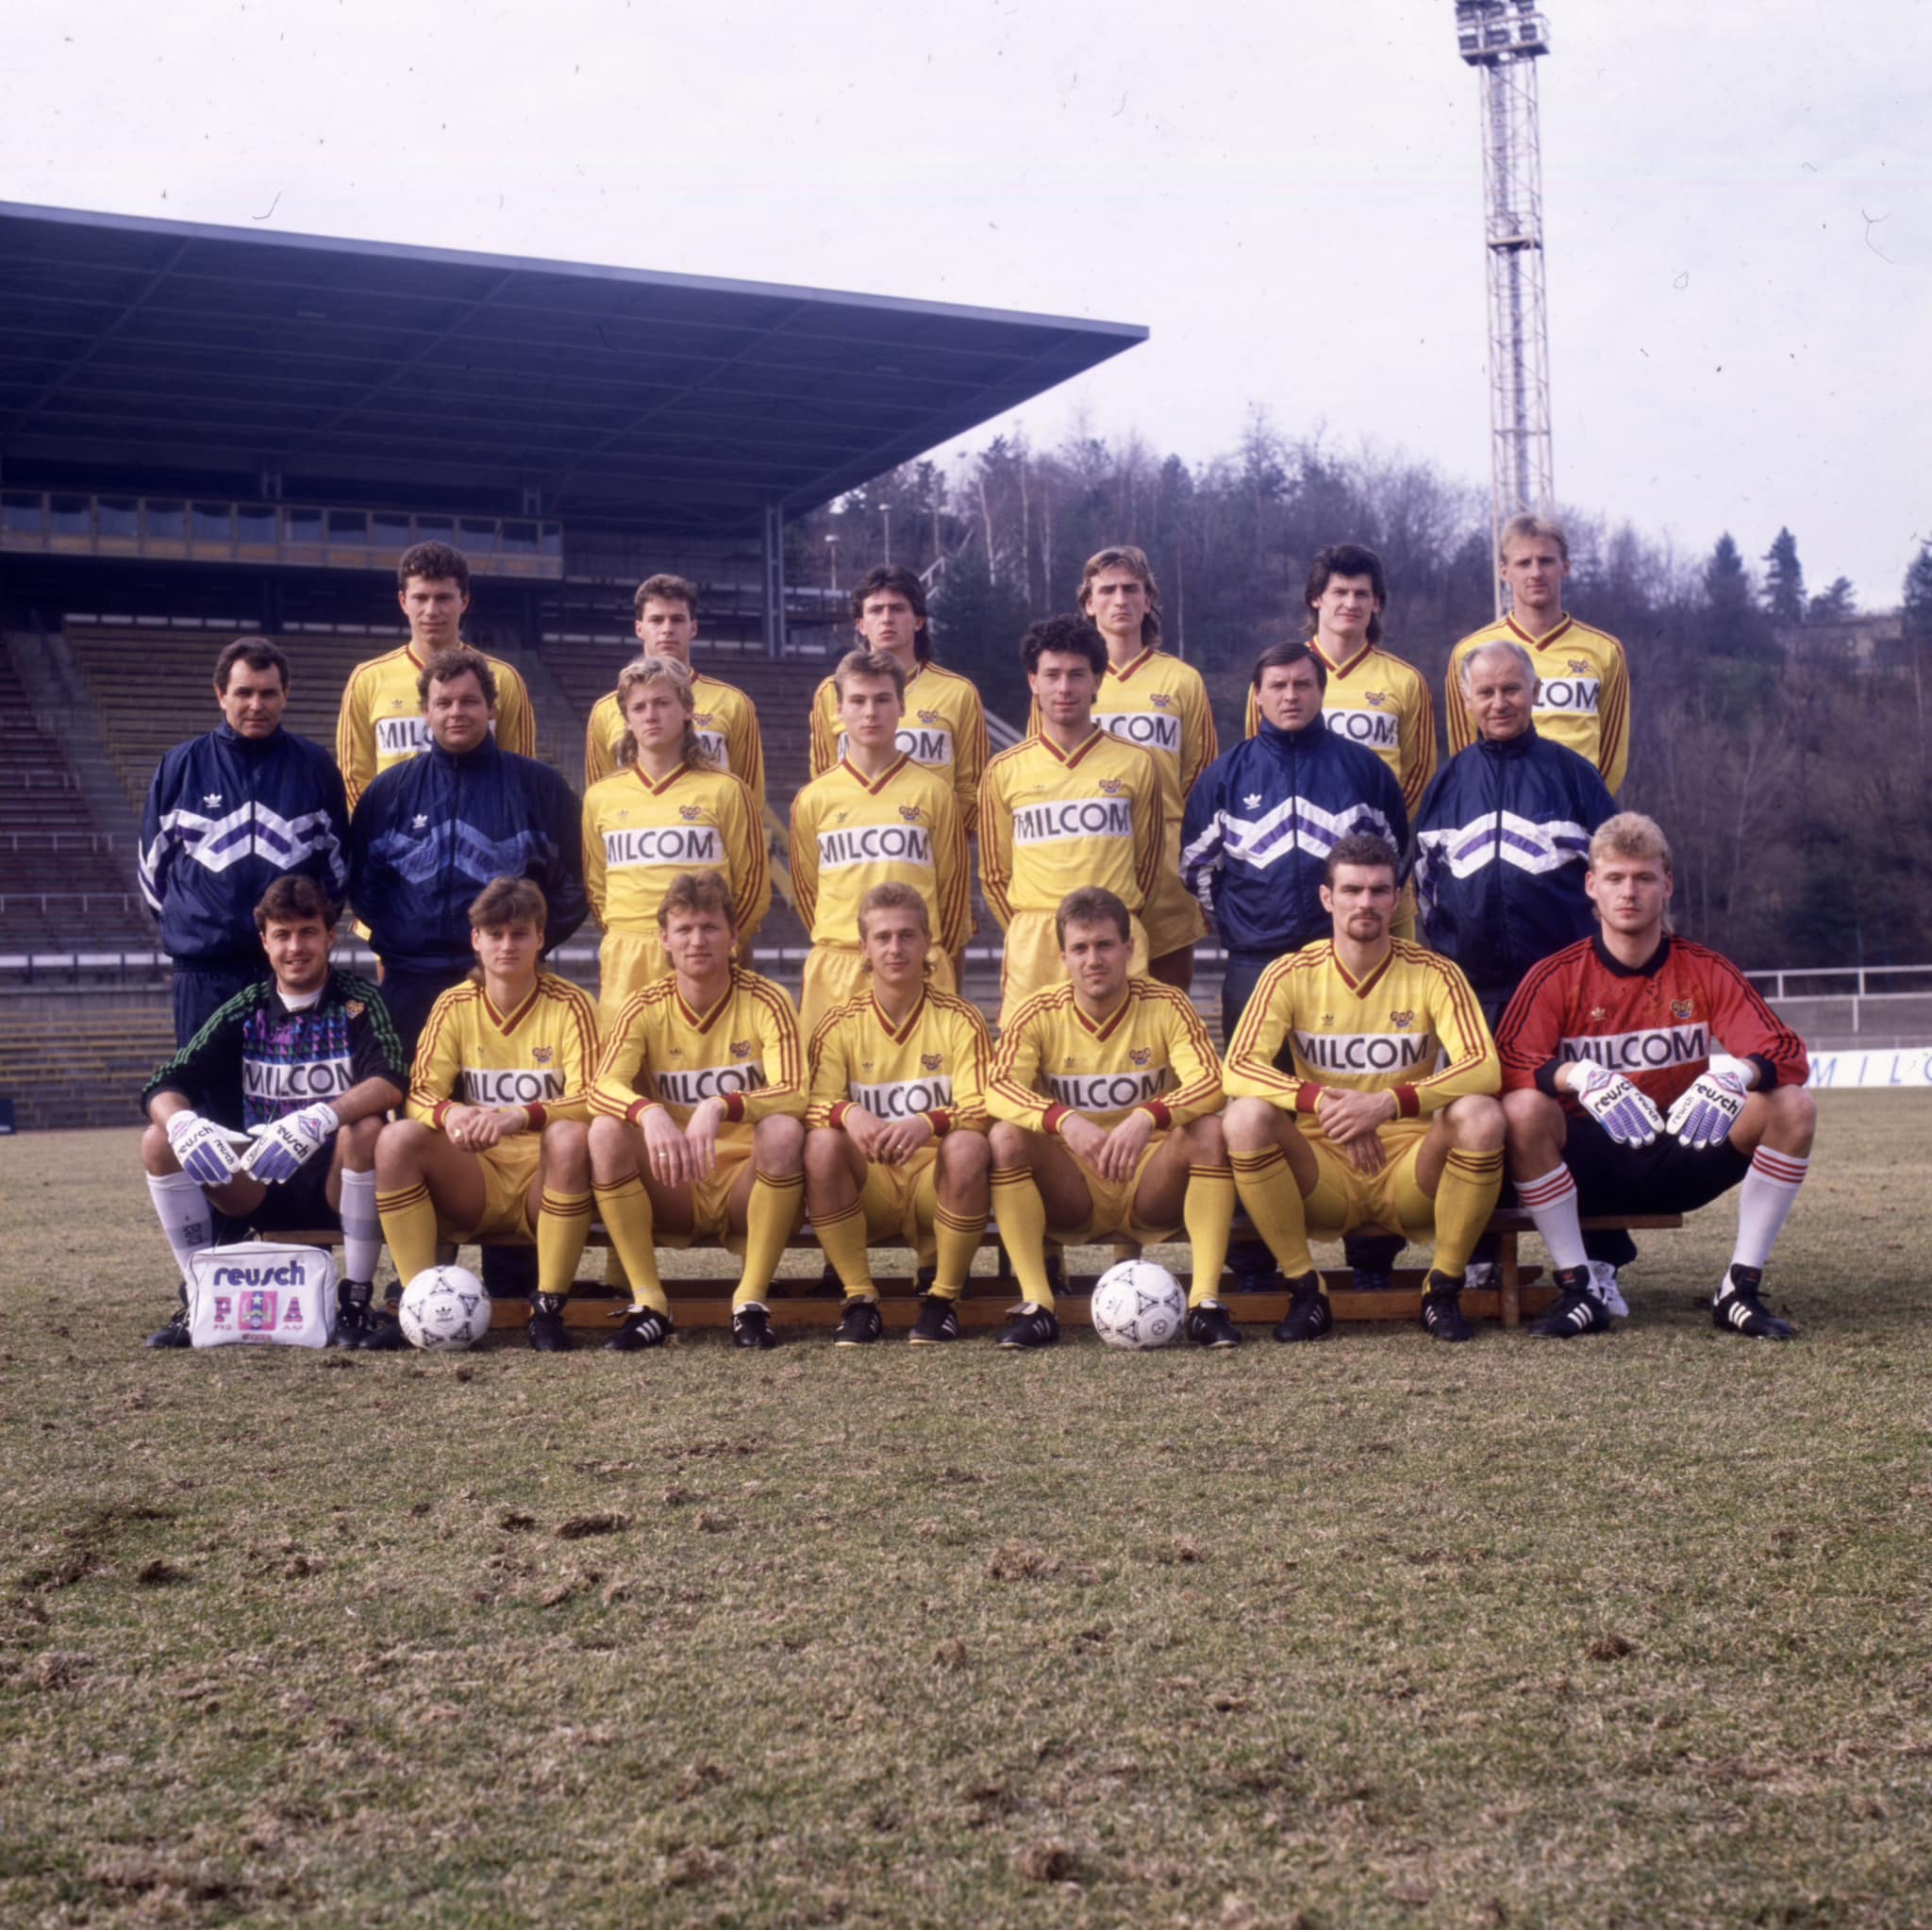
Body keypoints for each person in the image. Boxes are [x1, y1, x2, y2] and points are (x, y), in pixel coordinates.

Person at [1497, 813, 1814, 1339]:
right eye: (1616, 879)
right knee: (1522, 1108)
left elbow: (1785, 1049)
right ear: (1591, 887)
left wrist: (1738, 1072)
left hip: (1680, 1146)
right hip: (1587, 1162)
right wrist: (1575, 1075)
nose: (1630, 893)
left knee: (1793, 1106)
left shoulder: (1704, 969)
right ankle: (1579, 1288)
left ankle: (1739, 1288)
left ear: (1666, 886)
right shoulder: (1556, 976)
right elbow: (1505, 1062)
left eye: (1644, 878)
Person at [1182, 641, 1408, 1292]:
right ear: (1256, 695)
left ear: (1320, 690)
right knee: (1254, 1104)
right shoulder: (1225, 775)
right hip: (1256, 962)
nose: (1290, 695)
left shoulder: (1362, 770)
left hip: (1349, 963)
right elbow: (1198, 870)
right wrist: (1237, 929)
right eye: (1276, 685)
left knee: (1365, 1089)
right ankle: (1254, 1261)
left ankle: (1372, 1259)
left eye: (1302, 684)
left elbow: (1393, 858)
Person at [1221, 835, 1507, 1345]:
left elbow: (1483, 1066)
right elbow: (1238, 1068)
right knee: (1243, 1118)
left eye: (1379, 891)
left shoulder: (1434, 971)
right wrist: (1324, 1102)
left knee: (1482, 1114)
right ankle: (1305, 1291)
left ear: (1398, 899)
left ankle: (1442, 1289)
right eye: (1352, 890)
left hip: (1410, 1171)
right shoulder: (1289, 973)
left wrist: (1386, 1104)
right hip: (1322, 1168)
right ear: (1327, 897)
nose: (1366, 903)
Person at [138, 874, 407, 1350]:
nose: (295, 947)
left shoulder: (358, 1003)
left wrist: (321, 1117)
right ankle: (199, 1296)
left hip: (338, 1181)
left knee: (365, 1128)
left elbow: (390, 1081)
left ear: (329, 936)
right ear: (265, 943)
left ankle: (356, 1300)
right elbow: (165, 1082)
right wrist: (182, 1122)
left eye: (307, 932)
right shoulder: (247, 1008)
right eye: (282, 935)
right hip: (261, 1177)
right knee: (158, 1141)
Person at [983, 888, 1234, 1351]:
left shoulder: (1167, 1003)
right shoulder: (1036, 1011)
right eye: (1080, 948)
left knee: (1210, 1131)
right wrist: (1063, 1120)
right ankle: (1038, 1306)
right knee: (1006, 1137)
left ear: (1129, 949)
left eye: (1104, 945)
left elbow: (1211, 1082)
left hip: (1149, 1184)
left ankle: (1204, 1305)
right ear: (1063, 956)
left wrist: (1147, 1116)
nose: (1092, 959)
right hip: (1074, 1186)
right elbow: (997, 1089)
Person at [374, 878, 602, 1352]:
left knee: (572, 1138)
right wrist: (453, 1114)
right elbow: (418, 1095)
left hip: (548, 1178)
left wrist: (517, 1117)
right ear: (475, 939)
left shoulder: (573, 1004)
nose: (506, 945)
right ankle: (417, 1307)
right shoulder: (454, 1004)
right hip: (478, 1179)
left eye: (519, 934)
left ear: (541, 938)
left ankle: (548, 1309)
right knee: (396, 1140)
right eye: (494, 934)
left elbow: (591, 1100)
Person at [587, 870, 808, 1352]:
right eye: (684, 930)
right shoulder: (642, 1005)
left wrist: (719, 1105)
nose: (697, 941)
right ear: (664, 939)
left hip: (743, 1184)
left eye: (709, 928)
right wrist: (649, 1112)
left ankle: (750, 1302)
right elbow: (600, 1087)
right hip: (674, 1180)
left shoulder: (769, 1000)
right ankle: (649, 1304)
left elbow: (795, 1091)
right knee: (605, 1131)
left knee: (785, 1130)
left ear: (732, 935)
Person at [346, 645, 587, 1057]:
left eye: (469, 701)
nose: (456, 712)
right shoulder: (390, 792)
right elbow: (363, 883)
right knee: (414, 1112)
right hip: (410, 983)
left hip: (502, 983)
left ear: (492, 708)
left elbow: (575, 883)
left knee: (504, 1115)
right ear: (425, 710)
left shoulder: (539, 787)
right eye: (444, 702)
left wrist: (525, 946)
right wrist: (401, 936)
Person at [803, 882, 994, 1345]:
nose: (895, 948)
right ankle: (860, 1299)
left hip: (936, 1186)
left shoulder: (961, 1018)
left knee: (969, 1145)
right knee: (823, 1143)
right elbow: (809, 1104)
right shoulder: (839, 1023)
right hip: (870, 1187)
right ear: (864, 947)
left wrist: (926, 1122)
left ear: (928, 941)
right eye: (883, 937)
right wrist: (849, 1114)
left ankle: (941, 1300)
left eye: (907, 935)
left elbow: (983, 1104)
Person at [140, 638, 350, 1046]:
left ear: (285, 695)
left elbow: (338, 869)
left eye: (269, 693)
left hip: (289, 970)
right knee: (207, 1102)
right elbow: (153, 874)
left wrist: (296, 937)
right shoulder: (180, 767)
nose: (257, 704)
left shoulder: (315, 766)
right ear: (221, 695)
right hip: (204, 972)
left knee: (292, 1098)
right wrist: (195, 928)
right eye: (244, 693)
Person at [1414, 639, 1616, 1023]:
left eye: (1511, 689)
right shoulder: (1447, 782)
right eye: (1486, 692)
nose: (1499, 703)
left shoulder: (1575, 775)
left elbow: (1613, 874)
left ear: (1534, 691)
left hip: (1568, 991)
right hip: (1475, 997)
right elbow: (1426, 888)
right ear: (1466, 699)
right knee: (1480, 1088)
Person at [980, 615, 1164, 1028]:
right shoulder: (1004, 769)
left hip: (1113, 938)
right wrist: (1037, 926)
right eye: (1052, 675)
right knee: (1025, 1064)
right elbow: (994, 873)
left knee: (1128, 1053)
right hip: (1035, 940)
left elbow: (1147, 865)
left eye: (1077, 675)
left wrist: (1117, 919)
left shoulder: (1136, 763)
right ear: (1033, 681)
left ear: (1097, 680)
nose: (1064, 688)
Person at [1049, 544, 1219, 990]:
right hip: (1087, 854)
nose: (1119, 600)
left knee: (1165, 1005)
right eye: (1107, 590)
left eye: (1131, 589)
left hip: (1163, 865)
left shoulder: (1181, 681)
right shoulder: (1065, 682)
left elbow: (1201, 779)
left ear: (1148, 600)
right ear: (1088, 603)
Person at [581, 654, 770, 1028]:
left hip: (702, 951)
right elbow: (596, 885)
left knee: (703, 1070)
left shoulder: (727, 791)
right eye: (639, 707)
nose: (651, 715)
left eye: (662, 703)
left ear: (687, 709)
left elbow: (753, 886)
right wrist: (629, 936)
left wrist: (720, 942)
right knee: (625, 1076)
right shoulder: (601, 797)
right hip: (627, 955)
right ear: (627, 719)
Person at [790, 649, 969, 1035]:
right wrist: (842, 935)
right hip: (838, 963)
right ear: (838, 710)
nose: (870, 712)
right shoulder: (814, 799)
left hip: (916, 965)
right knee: (829, 1090)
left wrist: (927, 949)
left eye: (883, 699)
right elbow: (807, 891)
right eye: (858, 700)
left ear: (902, 705)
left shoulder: (934, 793)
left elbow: (952, 892)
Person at [1242, 542, 1437, 873]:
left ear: (1376, 603)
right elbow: (1260, 763)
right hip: (1295, 859)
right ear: (1316, 598)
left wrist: (1377, 830)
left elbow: (1419, 774)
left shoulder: (1406, 680)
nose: (1351, 603)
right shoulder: (1277, 679)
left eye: (1362, 594)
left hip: (1375, 859)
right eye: (1339, 592)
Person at [336, 541, 536, 811]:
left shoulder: (503, 679)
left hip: (478, 838)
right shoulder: (367, 680)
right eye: (420, 598)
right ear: (403, 601)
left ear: (463, 601)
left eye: (443, 598)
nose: (431, 611)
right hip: (395, 841)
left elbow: (519, 776)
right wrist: (377, 832)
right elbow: (353, 778)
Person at [1444, 513, 1630, 792]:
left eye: (1546, 561)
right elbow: (1465, 750)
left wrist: (1589, 804)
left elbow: (1613, 754)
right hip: (1501, 806)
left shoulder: (1605, 650)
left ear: (1565, 567)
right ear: (1504, 572)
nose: (1535, 573)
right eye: (1523, 563)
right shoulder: (1470, 651)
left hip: (1577, 811)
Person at [808, 565, 988, 827]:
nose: (887, 618)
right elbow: (823, 780)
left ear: (918, 620)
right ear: (860, 624)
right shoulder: (831, 691)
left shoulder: (958, 692)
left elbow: (972, 789)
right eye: (876, 610)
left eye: (898, 609)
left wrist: (948, 843)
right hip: (857, 844)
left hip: (930, 849)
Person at [584, 574, 765, 806]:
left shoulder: (733, 703)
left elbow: (749, 799)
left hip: (710, 830)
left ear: (693, 628)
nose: (667, 629)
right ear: (639, 628)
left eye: (677, 619)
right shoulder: (605, 710)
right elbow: (600, 800)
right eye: (657, 620)